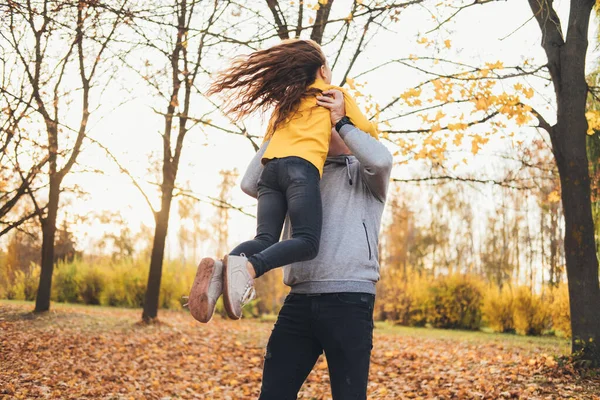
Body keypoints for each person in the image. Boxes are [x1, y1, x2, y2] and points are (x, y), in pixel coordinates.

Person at [188, 39, 378, 322]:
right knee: (306, 241)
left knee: (264, 238)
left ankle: (218, 270)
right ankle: (250, 269)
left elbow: (267, 145)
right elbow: (368, 132)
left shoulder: (284, 106)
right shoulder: (333, 94)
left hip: (270, 172)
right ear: (322, 70)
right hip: (301, 169)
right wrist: (343, 116)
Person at [246, 89, 392, 399]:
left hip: (350, 299)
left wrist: (341, 120)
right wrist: (282, 131)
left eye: (327, 121)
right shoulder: (299, 176)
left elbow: (380, 160)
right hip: (299, 301)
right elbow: (250, 183)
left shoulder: (366, 173)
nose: (322, 127)